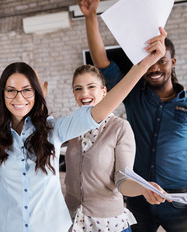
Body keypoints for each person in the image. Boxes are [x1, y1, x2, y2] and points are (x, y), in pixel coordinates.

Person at [0, 15, 167, 231]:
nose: (19, 97)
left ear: (37, 94)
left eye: (27, 90)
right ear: (2, 95)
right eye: (11, 90)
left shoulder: (54, 131)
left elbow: (99, 110)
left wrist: (145, 64)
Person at [79, 0, 187, 231]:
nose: (155, 67)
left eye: (162, 60)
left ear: (174, 62)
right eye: (150, 61)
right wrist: (90, 17)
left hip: (179, 202)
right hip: (139, 197)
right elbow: (102, 61)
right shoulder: (134, 94)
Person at [64, 64, 167, 232]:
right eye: (78, 88)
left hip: (107, 224)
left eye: (91, 87)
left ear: (104, 92)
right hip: (73, 221)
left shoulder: (120, 128)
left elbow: (122, 180)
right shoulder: (71, 127)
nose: (84, 94)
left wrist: (143, 188)